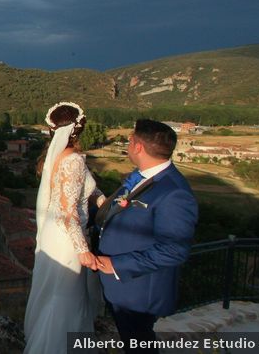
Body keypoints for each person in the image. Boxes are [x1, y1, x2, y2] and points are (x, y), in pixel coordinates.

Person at [94, 119, 198, 354]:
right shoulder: (141, 177)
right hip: (123, 288)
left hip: (139, 291)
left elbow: (175, 250)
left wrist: (116, 265)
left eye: (130, 140)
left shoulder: (174, 193)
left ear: (137, 145)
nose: (128, 145)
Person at [24, 102, 105, 354]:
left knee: (55, 295)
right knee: (65, 299)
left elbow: (85, 191)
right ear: (77, 130)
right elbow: (68, 210)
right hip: (68, 237)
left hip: (53, 235)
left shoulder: (57, 158)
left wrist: (107, 202)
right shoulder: (74, 161)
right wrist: (82, 249)